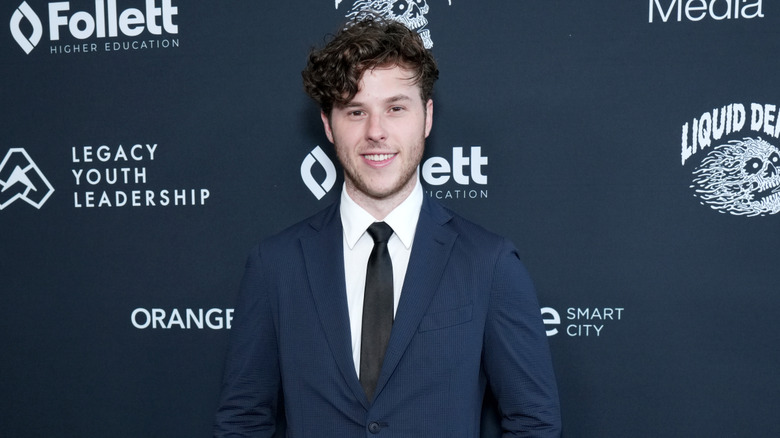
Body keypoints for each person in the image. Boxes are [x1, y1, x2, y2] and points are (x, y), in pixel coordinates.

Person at [214, 17, 561, 437]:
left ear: (426, 116)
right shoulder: (275, 265)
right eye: (355, 111)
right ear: (328, 124)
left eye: (395, 108)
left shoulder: (488, 262)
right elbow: (242, 421)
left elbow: (534, 421)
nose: (375, 132)